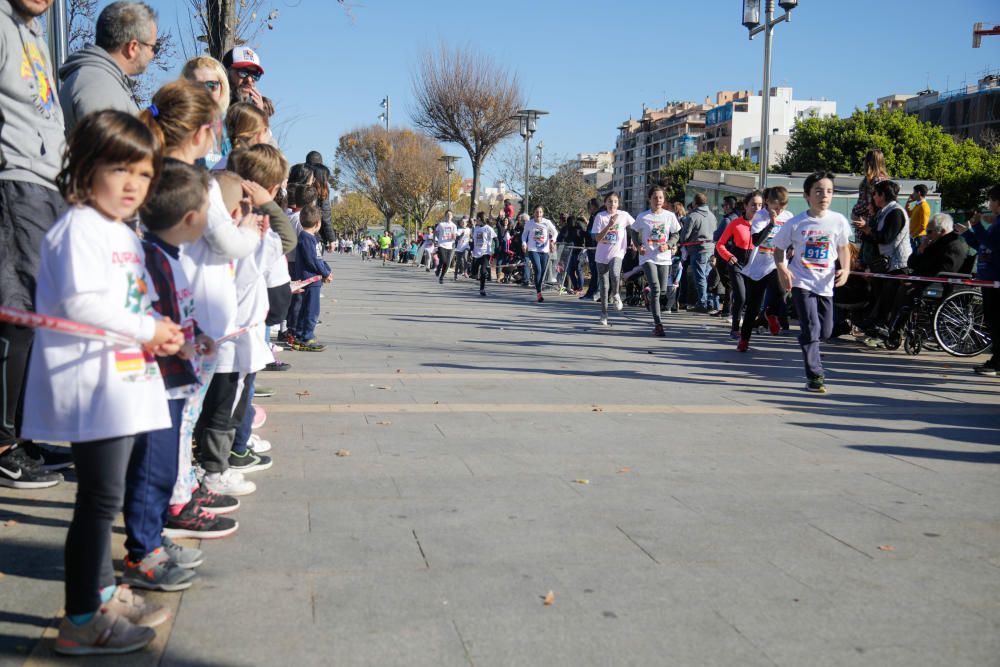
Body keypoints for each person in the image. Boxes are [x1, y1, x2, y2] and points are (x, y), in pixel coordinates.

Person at [22, 109, 182, 655]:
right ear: (87, 168)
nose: (134, 185)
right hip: (93, 386)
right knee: (97, 500)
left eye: (143, 173)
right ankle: (82, 618)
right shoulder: (77, 228)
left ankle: (104, 592)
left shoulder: (120, 231)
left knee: (104, 496)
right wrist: (146, 327)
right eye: (121, 171)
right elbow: (81, 303)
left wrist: (158, 332)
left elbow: (126, 300)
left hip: (123, 381)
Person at [141, 80, 263, 499]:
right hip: (194, 310)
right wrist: (248, 228)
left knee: (180, 411)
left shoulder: (155, 170)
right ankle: (177, 492)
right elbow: (224, 240)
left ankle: (178, 486)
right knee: (183, 413)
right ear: (202, 132)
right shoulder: (199, 180)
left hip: (181, 305)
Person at [123, 160, 226, 595]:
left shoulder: (169, 256)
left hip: (174, 379)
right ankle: (143, 553)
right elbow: (150, 319)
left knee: (162, 468)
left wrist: (196, 334)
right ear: (190, 220)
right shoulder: (152, 260)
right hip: (157, 384)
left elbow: (177, 313)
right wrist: (178, 341)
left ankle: (150, 540)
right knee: (151, 469)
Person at [0, 0, 74, 487]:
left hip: (48, 185)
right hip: (16, 179)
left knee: (37, 316)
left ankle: (23, 436)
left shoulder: (34, 33)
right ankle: (4, 442)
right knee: (17, 313)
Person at [773, 171, 853, 394]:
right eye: (818, 191)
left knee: (826, 331)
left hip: (826, 284)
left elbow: (843, 248)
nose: (824, 196)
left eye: (829, 191)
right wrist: (783, 269)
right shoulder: (796, 223)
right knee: (812, 327)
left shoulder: (838, 221)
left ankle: (809, 340)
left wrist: (845, 269)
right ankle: (815, 376)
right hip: (802, 281)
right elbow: (778, 250)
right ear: (807, 195)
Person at [58, 0, 156, 132]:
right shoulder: (99, 88)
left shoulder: (101, 83)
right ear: (133, 47)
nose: (153, 55)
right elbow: (113, 151)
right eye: (154, 47)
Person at [736, 187, 792, 351]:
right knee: (753, 305)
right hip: (759, 265)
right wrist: (771, 224)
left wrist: (792, 246)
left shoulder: (788, 217)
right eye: (776, 206)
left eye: (783, 206)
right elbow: (756, 241)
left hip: (777, 263)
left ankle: (771, 313)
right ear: (767, 202)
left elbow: (792, 236)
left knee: (782, 291)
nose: (779, 210)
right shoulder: (760, 216)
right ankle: (744, 339)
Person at [956, 186, 1000, 377]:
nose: (989, 204)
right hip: (988, 277)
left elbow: (990, 243)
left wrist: (977, 225)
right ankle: (996, 360)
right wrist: (967, 232)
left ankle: (997, 361)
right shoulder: (997, 222)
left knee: (996, 322)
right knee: (992, 321)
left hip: (996, 279)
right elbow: (983, 245)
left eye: (991, 200)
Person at [631, 186, 681, 336]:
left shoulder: (669, 216)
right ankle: (658, 324)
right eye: (655, 197)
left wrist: (669, 244)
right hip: (648, 257)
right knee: (656, 288)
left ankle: (647, 294)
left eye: (660, 197)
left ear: (663, 200)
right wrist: (639, 246)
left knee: (663, 291)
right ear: (649, 199)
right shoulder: (643, 216)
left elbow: (676, 234)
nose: (658, 200)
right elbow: (633, 231)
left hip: (664, 258)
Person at [716, 190, 763, 338]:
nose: (757, 208)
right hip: (737, 263)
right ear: (745, 206)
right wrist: (729, 256)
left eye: (760, 205)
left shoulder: (763, 225)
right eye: (753, 205)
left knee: (753, 300)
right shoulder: (735, 223)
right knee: (741, 297)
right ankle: (735, 328)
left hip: (755, 266)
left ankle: (755, 323)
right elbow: (720, 244)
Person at [289, 205, 332, 345]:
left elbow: (317, 259)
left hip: (309, 278)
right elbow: (314, 260)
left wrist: (326, 270)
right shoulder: (308, 238)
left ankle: (300, 334)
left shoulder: (306, 237)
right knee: (311, 310)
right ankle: (307, 335)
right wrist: (325, 272)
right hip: (310, 279)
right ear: (318, 223)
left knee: (305, 308)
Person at [592, 193, 635, 325]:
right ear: (605, 203)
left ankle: (616, 294)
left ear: (618, 203)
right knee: (604, 287)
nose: (612, 204)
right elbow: (597, 238)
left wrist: (634, 240)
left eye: (615, 201)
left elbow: (636, 227)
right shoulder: (600, 217)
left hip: (617, 252)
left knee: (615, 273)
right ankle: (604, 314)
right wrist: (609, 224)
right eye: (610, 201)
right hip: (601, 255)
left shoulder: (624, 215)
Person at [677, 192, 717, 312]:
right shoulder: (712, 215)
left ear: (695, 202)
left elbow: (685, 235)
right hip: (711, 249)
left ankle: (702, 303)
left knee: (700, 277)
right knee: (707, 276)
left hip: (698, 250)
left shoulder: (693, 216)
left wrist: (682, 241)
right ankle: (709, 302)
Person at [521, 206, 559, 302]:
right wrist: (524, 243)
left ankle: (538, 286)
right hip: (533, 249)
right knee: (538, 269)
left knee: (542, 272)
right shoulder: (530, 223)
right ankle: (539, 293)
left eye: (540, 212)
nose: (538, 214)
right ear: (533, 213)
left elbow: (555, 233)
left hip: (544, 250)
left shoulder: (547, 222)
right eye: (537, 212)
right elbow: (524, 234)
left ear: (543, 213)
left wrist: (552, 241)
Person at [580, 198, 601, 301]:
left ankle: (594, 292)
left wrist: (583, 233)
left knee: (596, 271)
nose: (589, 210)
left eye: (589, 207)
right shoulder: (593, 216)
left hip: (595, 247)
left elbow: (594, 232)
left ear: (593, 206)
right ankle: (591, 292)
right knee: (594, 271)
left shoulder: (598, 215)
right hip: (591, 247)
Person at [471, 214, 498, 296]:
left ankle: (482, 289)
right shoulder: (476, 228)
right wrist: (471, 250)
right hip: (476, 253)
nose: (476, 221)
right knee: (473, 273)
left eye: (477, 219)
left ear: (480, 219)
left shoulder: (488, 228)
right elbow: (474, 241)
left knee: (483, 271)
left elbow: (496, 240)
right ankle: (476, 273)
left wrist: (495, 251)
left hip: (486, 253)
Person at [434, 211, 458, 283]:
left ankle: (441, 277)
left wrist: (454, 237)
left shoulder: (454, 226)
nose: (448, 216)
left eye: (450, 215)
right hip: (441, 245)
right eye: (447, 214)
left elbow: (455, 237)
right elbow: (435, 232)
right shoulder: (441, 224)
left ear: (452, 216)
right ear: (445, 216)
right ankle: (438, 269)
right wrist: (435, 240)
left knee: (447, 263)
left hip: (449, 246)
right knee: (443, 260)